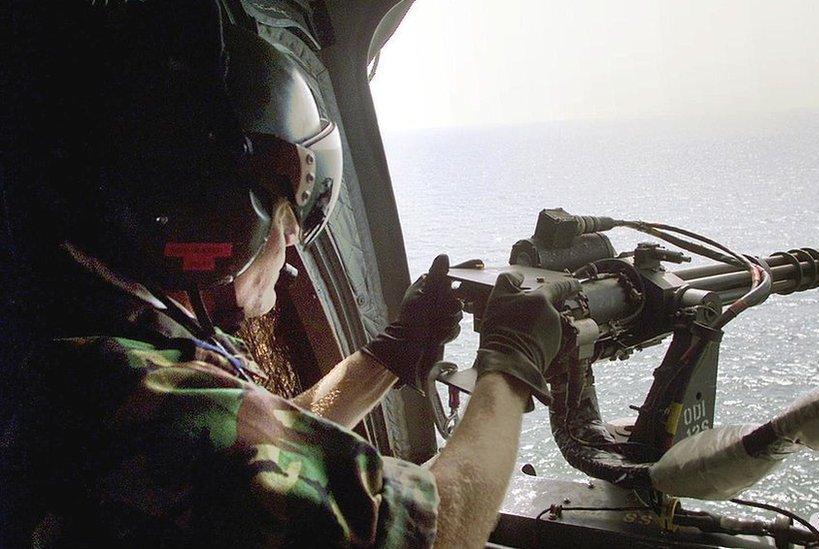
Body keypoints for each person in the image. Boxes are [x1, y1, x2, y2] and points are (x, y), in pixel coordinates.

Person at [0, 2, 580, 547]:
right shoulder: (123, 392)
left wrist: (391, 354)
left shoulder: (100, 336)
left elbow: (261, 450)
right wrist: (510, 365)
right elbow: (444, 529)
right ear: (220, 222)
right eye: (293, 212)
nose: (296, 238)